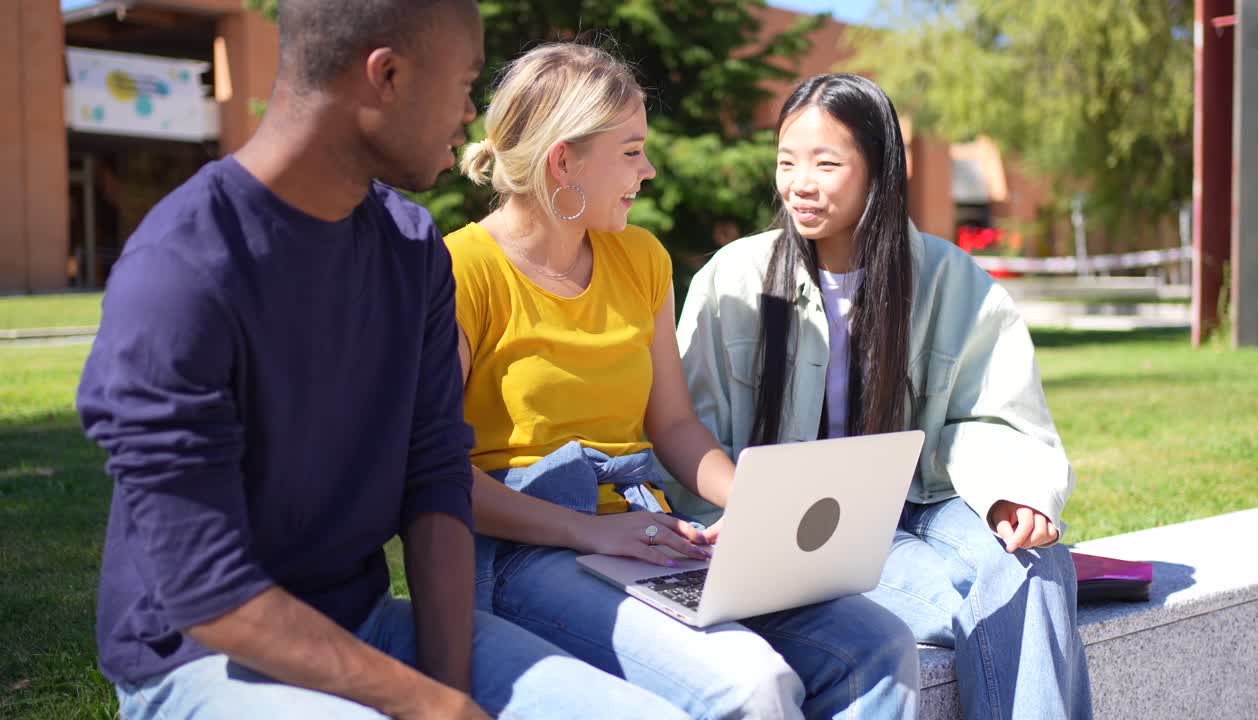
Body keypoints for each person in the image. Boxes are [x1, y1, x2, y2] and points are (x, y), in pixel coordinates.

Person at [76, 2, 690, 718]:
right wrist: (434, 708)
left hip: (368, 624)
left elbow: (434, 476)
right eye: (462, 84)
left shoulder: (411, 246)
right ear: (388, 75)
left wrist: (452, 684)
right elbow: (207, 592)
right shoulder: (182, 269)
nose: (472, 116)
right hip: (205, 661)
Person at [446, 44, 920, 720]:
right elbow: (437, 475)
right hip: (525, 555)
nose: (650, 170)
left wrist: (754, 506)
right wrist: (589, 532)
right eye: (632, 150)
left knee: (876, 645)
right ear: (564, 161)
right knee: (751, 686)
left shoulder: (640, 258)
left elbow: (672, 426)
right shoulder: (463, 272)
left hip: (644, 538)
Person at [672, 72, 1094, 719]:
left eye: (826, 163)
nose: (800, 183)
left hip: (924, 502)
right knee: (1004, 601)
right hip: (806, 537)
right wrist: (753, 516)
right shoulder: (733, 280)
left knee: (1033, 565)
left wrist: (1013, 495)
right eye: (787, 162)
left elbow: (992, 414)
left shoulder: (949, 279)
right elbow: (688, 431)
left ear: (878, 170)